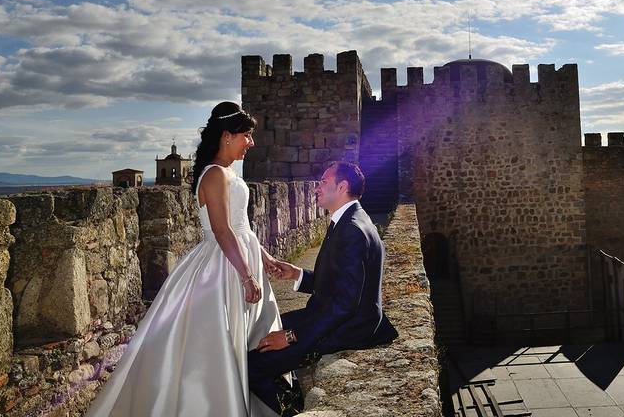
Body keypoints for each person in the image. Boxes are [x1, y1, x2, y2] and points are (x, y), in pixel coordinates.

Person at [88, 101, 290, 416]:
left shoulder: (227, 172)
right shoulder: (213, 175)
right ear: (227, 136)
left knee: (251, 338)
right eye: (246, 136)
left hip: (242, 258)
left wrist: (263, 257)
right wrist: (246, 276)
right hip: (224, 267)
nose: (251, 143)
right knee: (216, 344)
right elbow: (222, 231)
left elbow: (242, 227)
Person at [248, 161, 399, 415]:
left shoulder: (351, 229)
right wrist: (297, 274)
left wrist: (290, 337)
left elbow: (345, 304)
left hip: (346, 329)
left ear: (342, 187)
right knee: (263, 327)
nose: (316, 189)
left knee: (252, 366)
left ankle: (293, 410)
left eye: (323, 183)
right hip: (332, 316)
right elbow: (339, 283)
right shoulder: (349, 219)